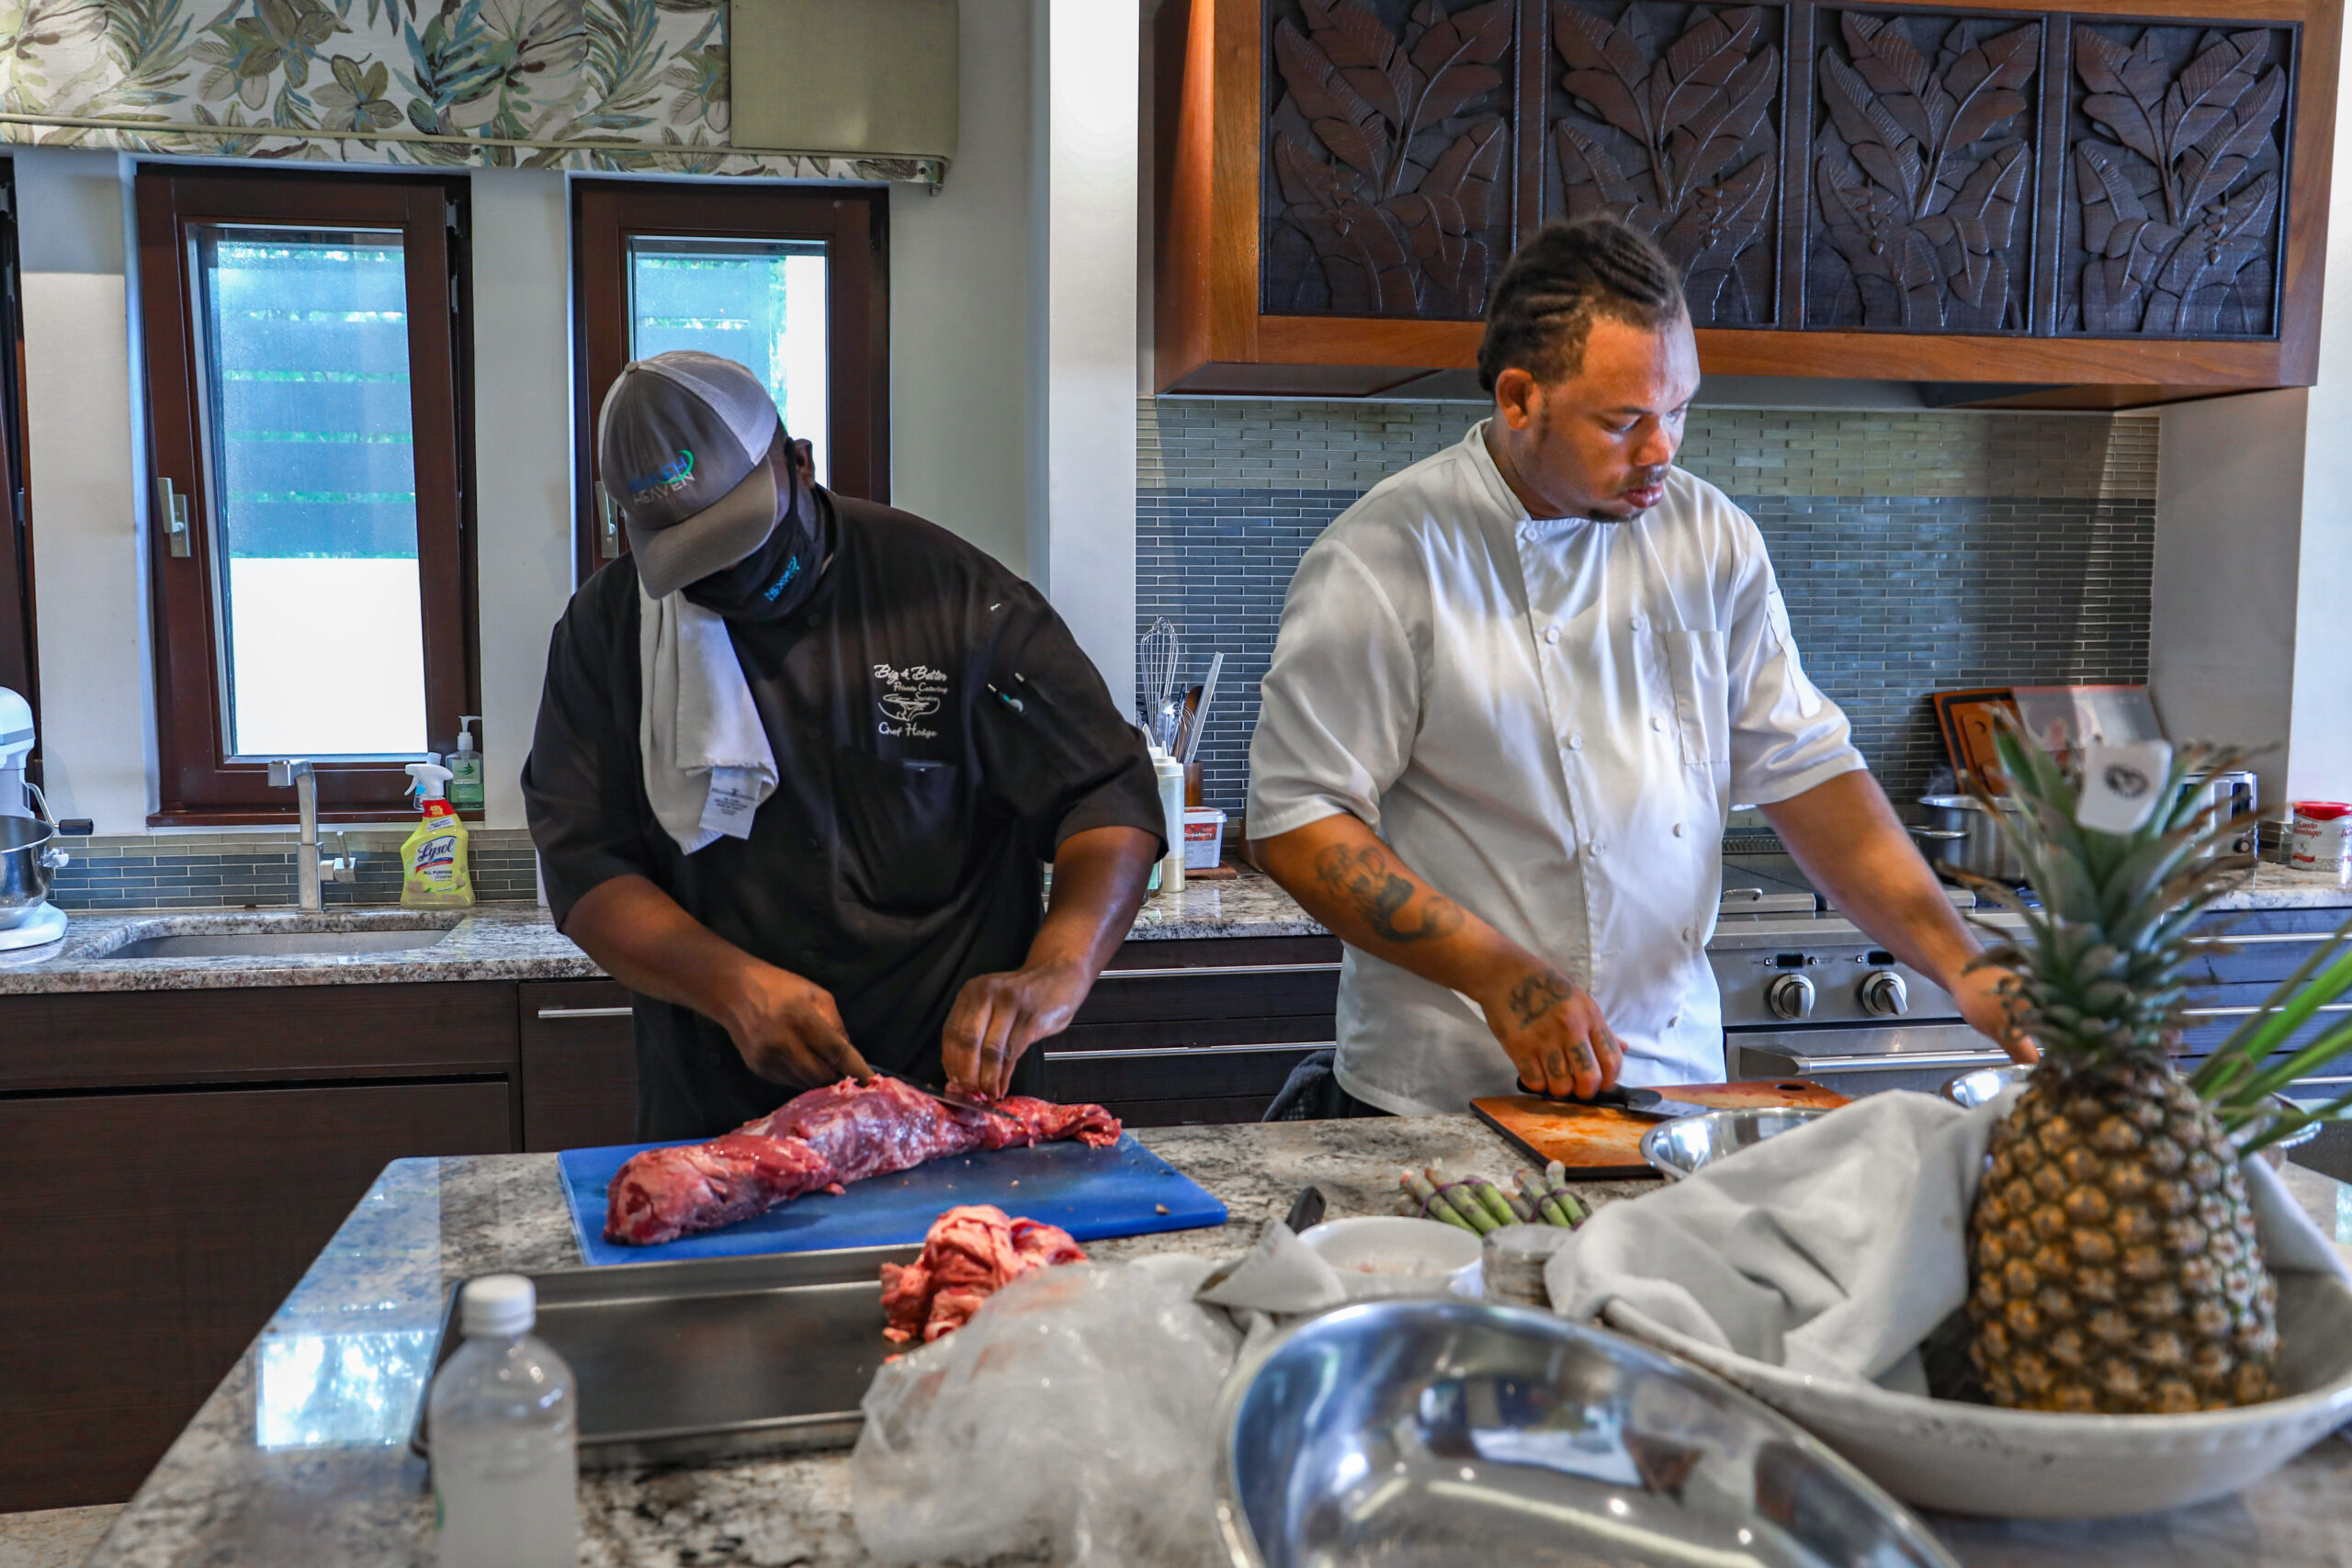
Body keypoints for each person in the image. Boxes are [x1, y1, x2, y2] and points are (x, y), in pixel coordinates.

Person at [1246, 219, 2026, 1116]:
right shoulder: (1385, 557)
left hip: (1672, 1082)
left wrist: (1962, 961)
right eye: (1623, 421)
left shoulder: (1711, 537)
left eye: (1679, 410)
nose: (1662, 449)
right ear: (1518, 398)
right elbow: (1298, 821)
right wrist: (1497, 973)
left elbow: (1807, 771)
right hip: (1442, 1093)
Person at [524, 351, 1163, 1139]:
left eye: (741, 536)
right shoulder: (607, 632)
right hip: (720, 1124)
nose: (727, 575)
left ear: (799, 463)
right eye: (692, 558)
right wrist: (732, 988)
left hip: (953, 1106)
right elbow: (585, 863)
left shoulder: (953, 599)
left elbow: (1104, 792)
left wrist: (1058, 965)